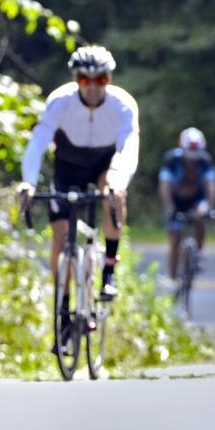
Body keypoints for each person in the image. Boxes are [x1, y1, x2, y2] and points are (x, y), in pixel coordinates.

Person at [19, 45, 139, 304]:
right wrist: (28, 182)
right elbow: (38, 142)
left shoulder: (123, 105)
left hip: (104, 163)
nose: (93, 86)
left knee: (114, 194)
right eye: (85, 79)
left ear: (110, 79)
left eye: (101, 80)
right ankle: (62, 307)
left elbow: (129, 147)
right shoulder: (61, 101)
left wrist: (119, 179)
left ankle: (108, 271)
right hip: (68, 164)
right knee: (60, 237)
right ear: (75, 80)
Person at [159, 127, 215, 284]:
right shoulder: (172, 160)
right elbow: (164, 186)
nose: (192, 161)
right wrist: (170, 208)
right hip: (175, 201)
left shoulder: (205, 161)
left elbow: (211, 186)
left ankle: (197, 254)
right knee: (175, 237)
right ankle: (172, 278)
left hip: (196, 200)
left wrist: (210, 208)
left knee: (201, 216)